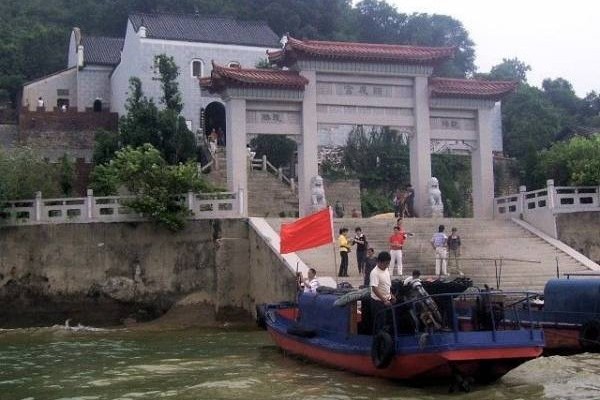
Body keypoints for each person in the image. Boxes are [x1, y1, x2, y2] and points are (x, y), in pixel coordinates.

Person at [370, 251, 396, 332]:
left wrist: (391, 295)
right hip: (378, 302)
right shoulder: (374, 273)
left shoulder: (386, 269)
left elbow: (386, 284)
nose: (387, 265)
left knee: (388, 321)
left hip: (387, 300)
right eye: (385, 263)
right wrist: (384, 300)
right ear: (379, 262)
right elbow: (374, 288)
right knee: (380, 323)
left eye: (388, 263)